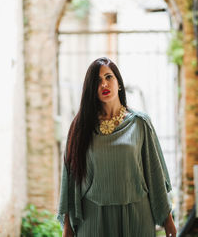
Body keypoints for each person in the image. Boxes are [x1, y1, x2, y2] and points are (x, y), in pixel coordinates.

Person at [56, 57, 177, 237]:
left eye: (108, 77)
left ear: (119, 83)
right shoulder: (80, 127)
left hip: (137, 216)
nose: (104, 84)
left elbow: (155, 174)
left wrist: (168, 221)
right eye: (97, 81)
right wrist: (68, 229)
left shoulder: (140, 123)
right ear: (91, 90)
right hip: (93, 219)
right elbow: (70, 179)